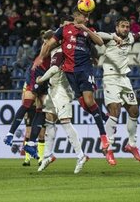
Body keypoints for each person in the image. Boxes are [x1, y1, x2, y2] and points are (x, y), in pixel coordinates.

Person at [33, 7, 109, 155]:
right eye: (84, 16)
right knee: (83, 103)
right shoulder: (64, 30)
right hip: (70, 72)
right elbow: (50, 43)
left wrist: (85, 28)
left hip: (85, 69)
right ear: (76, 15)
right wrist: (42, 56)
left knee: (89, 100)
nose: (87, 19)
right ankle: (103, 117)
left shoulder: (87, 29)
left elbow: (100, 42)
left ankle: (103, 136)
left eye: (88, 16)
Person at [97, 17, 140, 165]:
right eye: (123, 26)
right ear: (117, 27)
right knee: (115, 110)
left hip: (124, 78)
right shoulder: (110, 39)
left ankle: (131, 145)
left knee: (134, 111)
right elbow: (97, 34)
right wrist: (112, 36)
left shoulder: (129, 38)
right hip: (110, 78)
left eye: (127, 26)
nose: (125, 29)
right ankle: (108, 148)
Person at [36, 18, 88, 173]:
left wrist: (41, 80)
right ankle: (48, 156)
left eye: (45, 42)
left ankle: (80, 155)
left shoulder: (59, 52)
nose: (44, 44)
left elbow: (53, 70)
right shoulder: (54, 51)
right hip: (53, 90)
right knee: (49, 120)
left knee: (65, 122)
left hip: (62, 91)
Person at [4, 31, 54, 163]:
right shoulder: (47, 47)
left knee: (41, 109)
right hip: (36, 74)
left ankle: (31, 144)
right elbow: (40, 59)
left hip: (47, 77)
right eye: (43, 40)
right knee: (27, 103)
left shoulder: (56, 47)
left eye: (45, 40)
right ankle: (10, 133)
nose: (44, 43)